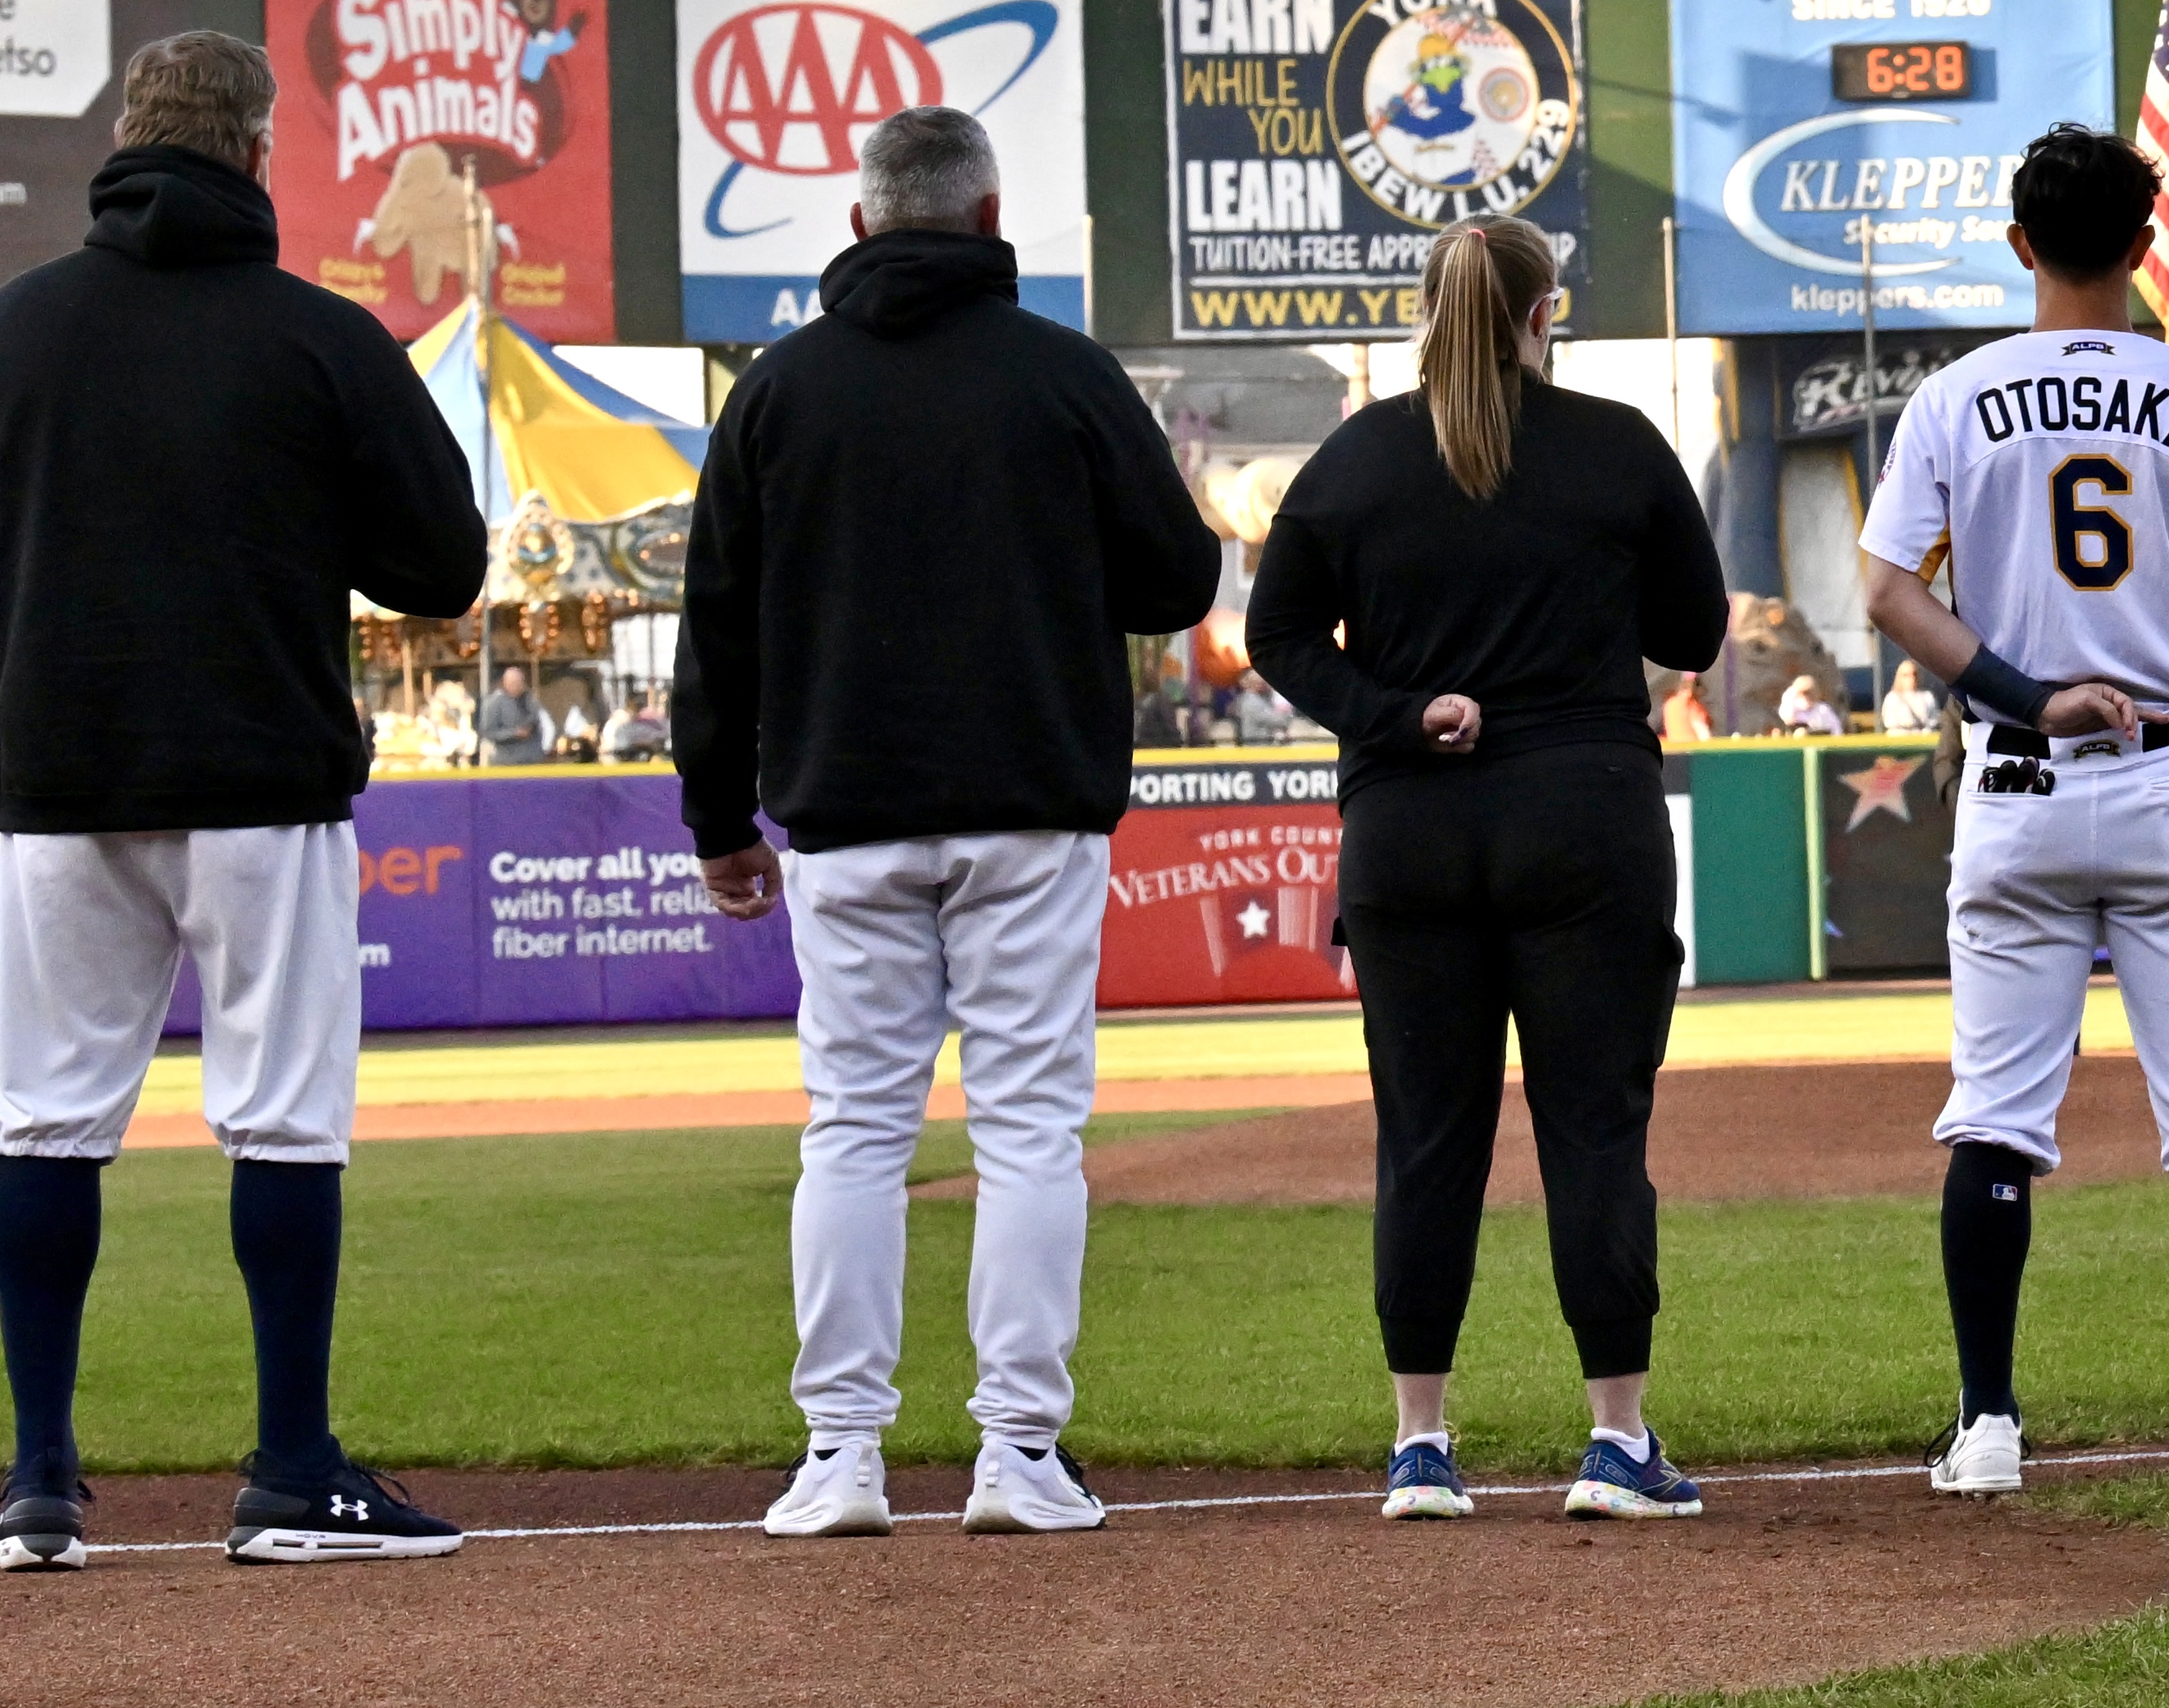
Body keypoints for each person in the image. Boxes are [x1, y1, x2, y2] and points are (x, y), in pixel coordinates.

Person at [0, 30, 494, 1567]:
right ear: (252, 152)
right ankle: (292, 1464)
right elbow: (443, 561)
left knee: (42, 1123)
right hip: (260, 784)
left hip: (58, 791)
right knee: (285, 1123)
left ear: (123, 141)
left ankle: (39, 1479)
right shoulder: (317, 335)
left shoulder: (3, 332)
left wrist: (43, 682)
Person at [672, 102, 1221, 1539]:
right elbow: (1176, 578)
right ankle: (1019, 1454)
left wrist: (716, 815)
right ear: (992, 223)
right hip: (1032, 809)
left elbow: (714, 628)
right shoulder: (1065, 375)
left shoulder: (780, 388)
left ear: (860, 223)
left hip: (846, 812)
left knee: (853, 1126)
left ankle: (840, 1456)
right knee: (1032, 1123)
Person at [1858, 127, 2169, 1491]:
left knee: (1996, 1115)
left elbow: (1891, 591)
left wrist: (2027, 681)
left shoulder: (1955, 395)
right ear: (2145, 244)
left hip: (2016, 773)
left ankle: (1991, 1423)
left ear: (2019, 243)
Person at [1245, 222, 1733, 1521]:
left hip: (1408, 830)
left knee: (1424, 1141)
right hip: (1584, 815)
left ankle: (1421, 1444)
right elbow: (1694, 627)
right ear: (1544, 315)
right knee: (1594, 1131)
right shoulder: (1618, 443)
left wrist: (1397, 711)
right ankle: (1615, 1441)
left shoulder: (1355, 457)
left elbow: (1275, 631)